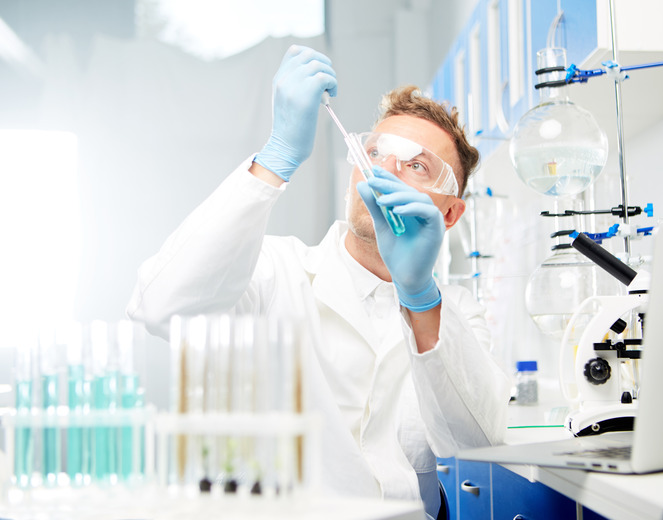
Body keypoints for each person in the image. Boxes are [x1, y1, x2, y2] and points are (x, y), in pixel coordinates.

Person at [127, 45, 510, 519]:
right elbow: (161, 307)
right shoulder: (273, 271)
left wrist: (419, 297)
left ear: (449, 214)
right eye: (375, 153)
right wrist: (277, 157)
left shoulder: (454, 311)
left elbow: (480, 441)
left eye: (417, 165)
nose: (385, 170)